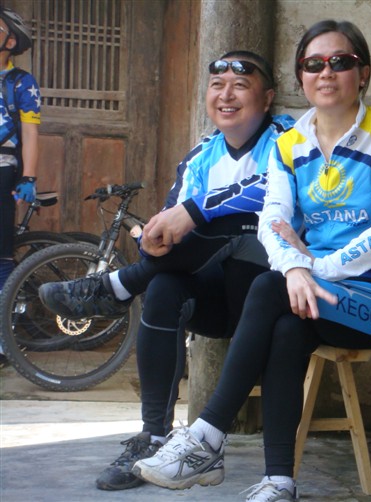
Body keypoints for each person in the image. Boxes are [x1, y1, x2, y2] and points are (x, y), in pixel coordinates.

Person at [131, 20, 371, 502]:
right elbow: (272, 222)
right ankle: (280, 482)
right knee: (286, 330)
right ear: (301, 76)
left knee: (268, 287)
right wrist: (295, 266)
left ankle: (207, 436)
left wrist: (316, 268)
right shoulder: (290, 145)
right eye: (313, 64)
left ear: (363, 73)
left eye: (340, 62)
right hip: (307, 288)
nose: (325, 72)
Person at [40, 50, 294, 491]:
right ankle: (153, 439)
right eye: (217, 86)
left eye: (240, 86)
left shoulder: (290, 140)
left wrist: (196, 211)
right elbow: (174, 227)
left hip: (269, 295)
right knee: (163, 285)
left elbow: (274, 190)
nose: (226, 95)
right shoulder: (201, 156)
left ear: (267, 97)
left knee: (239, 217)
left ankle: (117, 287)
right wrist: (153, 238)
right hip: (215, 299)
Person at [0, 7, 40, 367]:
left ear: (10, 41)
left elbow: (29, 132)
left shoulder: (20, 82)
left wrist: (28, 177)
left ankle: (2, 338)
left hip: (3, 169)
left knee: (0, 254)